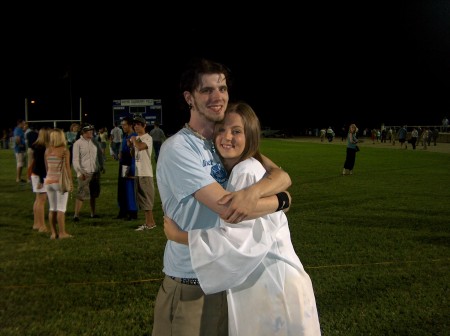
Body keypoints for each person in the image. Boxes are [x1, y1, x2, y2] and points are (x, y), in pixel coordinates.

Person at [152, 58, 291, 336]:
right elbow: (228, 208)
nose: (218, 97)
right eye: (207, 90)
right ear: (189, 98)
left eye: (222, 88)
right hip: (191, 281)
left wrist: (255, 192)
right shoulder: (179, 148)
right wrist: (281, 202)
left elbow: (281, 175)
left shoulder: (222, 140)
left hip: (228, 279)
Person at [164, 102, 321, 336]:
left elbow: (238, 240)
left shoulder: (245, 171)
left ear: (250, 136)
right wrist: (282, 200)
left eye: (236, 131)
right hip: (268, 281)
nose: (227, 137)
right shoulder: (242, 166)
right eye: (221, 130)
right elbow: (280, 178)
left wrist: (180, 236)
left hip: (271, 283)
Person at [44, 128, 73, 239]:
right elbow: (67, 168)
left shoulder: (47, 150)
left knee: (52, 208)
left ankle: (53, 233)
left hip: (48, 181)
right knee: (61, 209)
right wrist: (70, 182)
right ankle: (62, 233)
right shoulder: (64, 150)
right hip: (59, 182)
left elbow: (47, 168)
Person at [72, 124, 104, 221]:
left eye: (92, 131)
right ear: (83, 132)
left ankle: (93, 213)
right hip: (84, 173)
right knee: (81, 194)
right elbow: (75, 160)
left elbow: (98, 155)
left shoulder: (94, 142)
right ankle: (76, 215)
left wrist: (101, 166)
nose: (91, 133)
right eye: (89, 131)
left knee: (93, 194)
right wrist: (80, 172)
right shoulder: (78, 143)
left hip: (95, 172)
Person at [130, 116, 156, 230]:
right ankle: (149, 222)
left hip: (145, 172)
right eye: (135, 124)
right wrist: (131, 146)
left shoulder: (147, 138)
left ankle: (150, 223)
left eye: (139, 124)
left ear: (144, 126)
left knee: (147, 198)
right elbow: (134, 154)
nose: (136, 126)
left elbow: (140, 147)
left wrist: (134, 141)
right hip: (138, 171)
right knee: (142, 199)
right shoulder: (137, 139)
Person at [116, 116, 138, 220]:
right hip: (123, 164)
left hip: (129, 164)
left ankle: (132, 212)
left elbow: (134, 153)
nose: (123, 127)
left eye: (124, 125)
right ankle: (123, 210)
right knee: (122, 188)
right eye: (122, 125)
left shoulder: (134, 136)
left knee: (129, 188)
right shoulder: (126, 136)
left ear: (130, 125)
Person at [30, 127, 50, 232]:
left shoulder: (36, 146)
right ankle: (42, 225)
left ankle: (36, 223)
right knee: (42, 201)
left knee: (38, 200)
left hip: (35, 174)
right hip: (40, 176)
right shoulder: (42, 148)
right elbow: (41, 166)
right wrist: (42, 181)